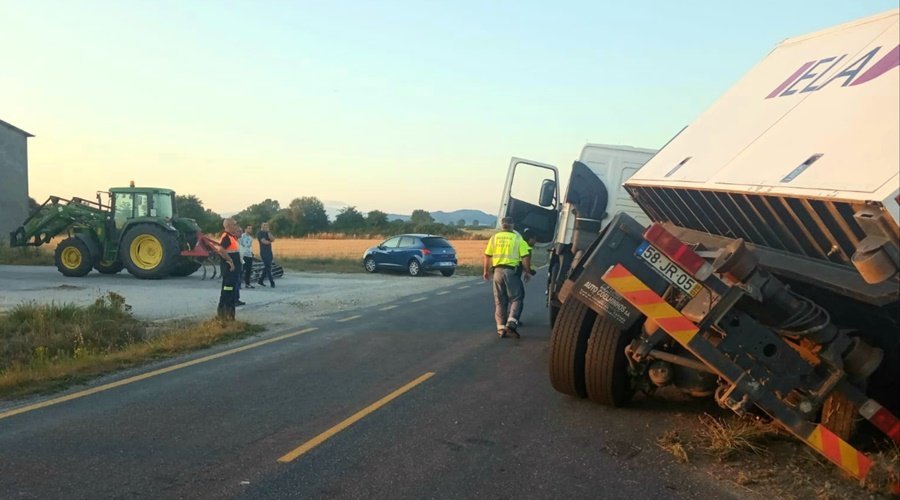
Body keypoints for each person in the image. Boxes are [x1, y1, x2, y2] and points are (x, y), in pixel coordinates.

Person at [483, 217, 532, 339]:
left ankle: (501, 328)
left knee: (500, 300)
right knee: (517, 297)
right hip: (511, 272)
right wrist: (527, 271)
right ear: (512, 225)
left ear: (501, 225)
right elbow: (525, 256)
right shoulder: (518, 239)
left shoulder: (494, 238)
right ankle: (512, 321)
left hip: (497, 272)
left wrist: (485, 271)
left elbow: (487, 256)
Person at [216, 218, 242, 320]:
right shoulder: (226, 236)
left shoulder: (232, 237)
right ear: (229, 225)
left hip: (234, 272)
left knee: (232, 293)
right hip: (229, 271)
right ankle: (223, 314)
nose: (236, 226)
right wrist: (230, 261)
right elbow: (220, 249)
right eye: (235, 224)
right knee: (227, 292)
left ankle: (230, 316)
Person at [515, 228, 538, 326]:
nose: (535, 242)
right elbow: (525, 261)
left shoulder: (517, 244)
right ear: (530, 239)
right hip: (514, 274)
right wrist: (528, 272)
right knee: (518, 296)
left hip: (502, 272)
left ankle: (503, 321)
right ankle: (513, 319)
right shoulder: (526, 247)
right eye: (534, 239)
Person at [257, 222, 276, 288]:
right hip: (264, 252)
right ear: (261, 226)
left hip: (269, 252)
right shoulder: (260, 233)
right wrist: (270, 241)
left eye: (267, 225)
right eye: (264, 225)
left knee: (267, 266)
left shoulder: (267, 233)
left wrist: (268, 233)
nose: (266, 226)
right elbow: (264, 241)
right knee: (268, 267)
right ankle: (272, 282)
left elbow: (273, 239)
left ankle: (261, 280)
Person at [239, 225, 255, 289]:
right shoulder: (242, 236)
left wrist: (251, 252)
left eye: (251, 228)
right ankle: (239, 284)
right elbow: (240, 244)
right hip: (243, 255)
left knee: (249, 270)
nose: (250, 230)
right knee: (242, 270)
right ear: (245, 229)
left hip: (249, 255)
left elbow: (250, 246)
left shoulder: (251, 238)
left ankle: (247, 284)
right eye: (249, 228)